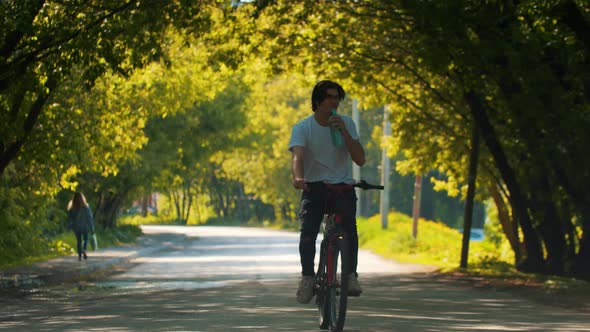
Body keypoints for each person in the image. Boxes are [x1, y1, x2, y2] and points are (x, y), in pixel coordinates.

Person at [288, 80, 366, 304]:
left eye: (337, 98)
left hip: (342, 186)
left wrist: (345, 133)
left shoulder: (347, 123)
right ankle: (308, 278)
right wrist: (298, 178)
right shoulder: (303, 127)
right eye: (330, 97)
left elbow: (359, 159)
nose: (334, 102)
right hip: (315, 187)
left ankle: (350, 276)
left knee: (349, 230)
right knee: (308, 232)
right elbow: (298, 156)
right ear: (317, 101)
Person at [67, 192, 95, 261]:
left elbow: (70, 219)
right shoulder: (86, 207)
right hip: (85, 226)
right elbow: (90, 217)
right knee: (86, 239)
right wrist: (92, 228)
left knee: (79, 241)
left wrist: (69, 227)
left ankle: (79, 256)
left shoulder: (72, 208)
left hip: (76, 227)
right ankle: (84, 250)